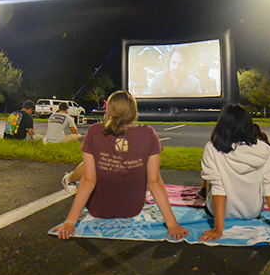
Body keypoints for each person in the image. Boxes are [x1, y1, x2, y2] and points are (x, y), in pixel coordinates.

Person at [52, 91, 188, 241]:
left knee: (88, 167)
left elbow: (88, 180)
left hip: (98, 209)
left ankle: (69, 179)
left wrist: (70, 222)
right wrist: (172, 224)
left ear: (108, 110)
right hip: (132, 209)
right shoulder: (148, 133)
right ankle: (70, 178)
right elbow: (154, 182)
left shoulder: (95, 132)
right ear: (134, 112)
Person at [198, 105, 270, 242]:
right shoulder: (265, 150)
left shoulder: (212, 148)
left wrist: (218, 229)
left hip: (219, 212)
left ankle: (202, 192)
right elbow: (269, 187)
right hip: (252, 212)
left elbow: (218, 188)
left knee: (212, 180)